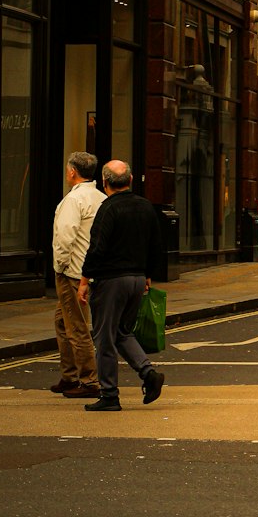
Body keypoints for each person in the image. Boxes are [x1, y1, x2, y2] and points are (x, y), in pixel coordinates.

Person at [78, 159, 165, 412]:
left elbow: (97, 248)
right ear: (130, 180)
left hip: (111, 281)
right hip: (137, 279)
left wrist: (84, 280)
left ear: (105, 183)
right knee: (122, 332)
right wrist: (147, 274)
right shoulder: (146, 207)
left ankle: (109, 395)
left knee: (104, 338)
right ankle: (148, 374)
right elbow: (155, 245)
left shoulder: (108, 209)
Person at [50, 150, 105, 398]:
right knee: (63, 322)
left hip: (72, 272)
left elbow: (65, 236)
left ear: (72, 172)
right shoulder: (101, 197)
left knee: (77, 327)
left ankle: (88, 380)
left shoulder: (74, 200)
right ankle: (69, 375)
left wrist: (60, 267)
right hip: (90, 270)